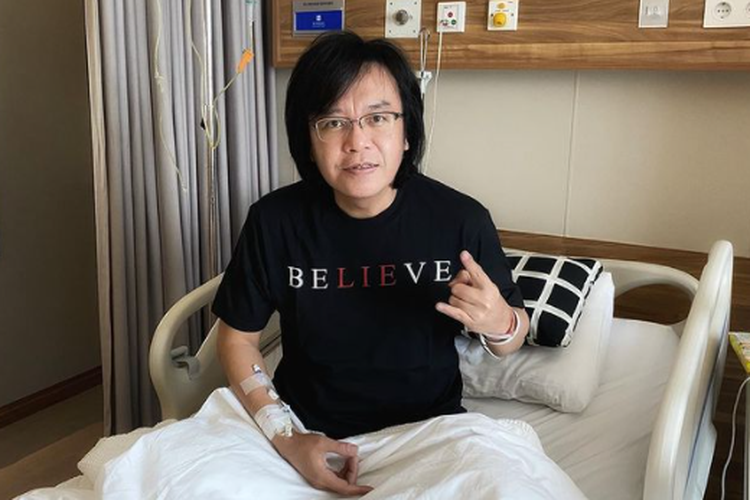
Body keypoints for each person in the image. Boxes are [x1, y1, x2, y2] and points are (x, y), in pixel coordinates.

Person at [212, 31, 529, 497]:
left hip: (429, 435)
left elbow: (511, 339)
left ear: (407, 132)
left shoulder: (460, 219)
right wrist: (288, 436)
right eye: (333, 122)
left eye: (377, 118)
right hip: (301, 429)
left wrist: (500, 322)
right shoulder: (274, 221)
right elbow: (237, 338)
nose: (357, 142)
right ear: (308, 138)